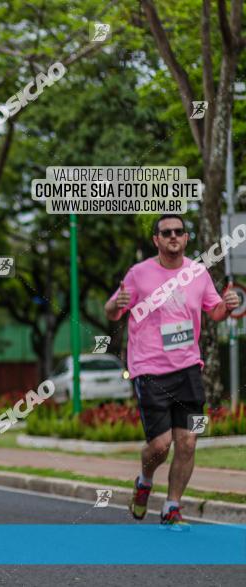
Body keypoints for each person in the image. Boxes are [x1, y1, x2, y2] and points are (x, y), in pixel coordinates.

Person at [104, 214, 240, 529]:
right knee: (161, 445)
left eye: (179, 231)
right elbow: (112, 312)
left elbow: (216, 311)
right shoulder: (139, 274)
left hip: (189, 369)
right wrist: (115, 305)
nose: (173, 237)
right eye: (166, 233)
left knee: (189, 441)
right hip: (150, 371)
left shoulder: (198, 272)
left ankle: (172, 507)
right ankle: (144, 480)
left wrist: (228, 306)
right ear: (157, 240)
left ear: (186, 238)